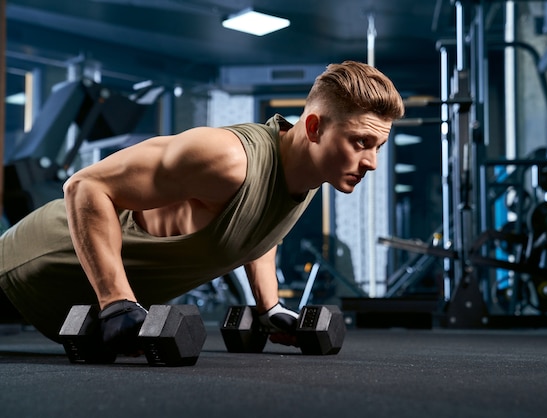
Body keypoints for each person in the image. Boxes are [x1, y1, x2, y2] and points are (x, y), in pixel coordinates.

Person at [0, 60, 404, 352]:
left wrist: (269, 306)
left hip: (64, 305)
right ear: (314, 128)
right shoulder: (226, 158)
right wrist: (116, 301)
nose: (371, 162)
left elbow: (262, 225)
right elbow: (84, 185)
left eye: (379, 147)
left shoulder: (310, 173)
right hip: (31, 267)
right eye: (361, 142)